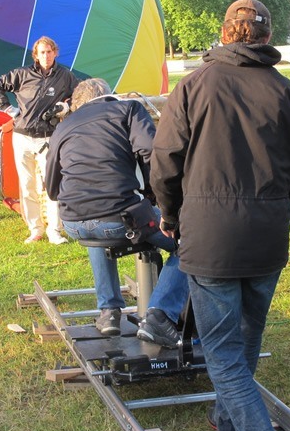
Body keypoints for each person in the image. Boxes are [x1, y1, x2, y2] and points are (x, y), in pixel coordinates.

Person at [151, 0, 290, 431]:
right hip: (265, 233)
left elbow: (165, 162)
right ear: (265, 38)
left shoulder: (194, 86)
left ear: (225, 33)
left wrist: (169, 214)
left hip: (211, 237)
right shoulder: (286, 92)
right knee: (244, 340)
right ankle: (228, 426)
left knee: (225, 356)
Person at [45, 78, 188, 344]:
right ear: (109, 95)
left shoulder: (64, 126)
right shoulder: (129, 110)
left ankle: (109, 311)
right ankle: (160, 315)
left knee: (96, 221)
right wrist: (153, 196)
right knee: (191, 245)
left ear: (77, 104)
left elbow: (52, 189)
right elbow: (151, 152)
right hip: (123, 218)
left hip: (73, 222)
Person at [0, 36, 80, 245]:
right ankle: (35, 229)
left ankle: (54, 230)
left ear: (55, 52)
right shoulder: (22, 74)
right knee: (28, 184)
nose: (46, 56)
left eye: (49, 52)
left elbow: (80, 95)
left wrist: (65, 107)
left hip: (49, 137)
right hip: (22, 137)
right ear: (36, 55)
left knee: (51, 184)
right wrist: (7, 108)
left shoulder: (66, 76)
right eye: (42, 53)